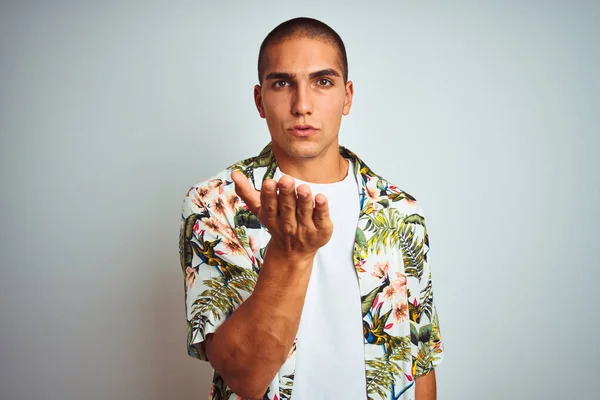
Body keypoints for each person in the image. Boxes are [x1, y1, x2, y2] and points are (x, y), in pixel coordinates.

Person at [178, 17, 443, 400]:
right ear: (259, 100)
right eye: (282, 83)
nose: (302, 105)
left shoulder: (399, 211)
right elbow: (243, 377)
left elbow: (419, 360)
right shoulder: (215, 203)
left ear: (347, 96)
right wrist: (290, 254)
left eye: (323, 81)